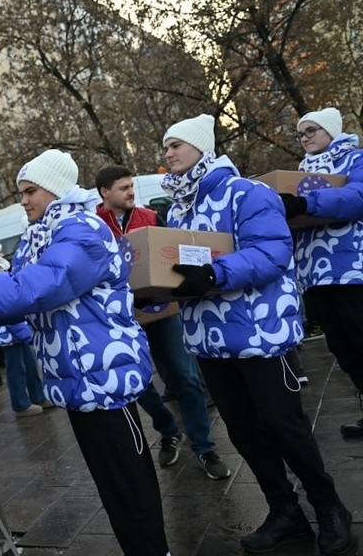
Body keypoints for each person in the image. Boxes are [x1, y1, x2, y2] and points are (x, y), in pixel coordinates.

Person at [0, 150, 170, 556]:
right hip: (78, 380)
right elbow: (31, 302)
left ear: (54, 189)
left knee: (130, 486)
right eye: (22, 192)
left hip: (104, 378)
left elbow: (43, 285)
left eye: (30, 191)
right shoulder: (45, 236)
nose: (23, 200)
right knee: (113, 487)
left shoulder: (82, 231)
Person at [160, 113, 352, 554]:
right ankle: (285, 511)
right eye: (165, 146)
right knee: (245, 432)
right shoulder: (179, 207)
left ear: (201, 148)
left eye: (176, 144)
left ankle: (329, 507)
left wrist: (211, 273)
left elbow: (271, 253)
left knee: (285, 427)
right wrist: (153, 292)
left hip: (258, 335)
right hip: (209, 340)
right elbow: (173, 269)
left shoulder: (245, 192)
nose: (168, 152)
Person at [94, 165, 230, 479]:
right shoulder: (93, 225)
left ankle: (204, 447)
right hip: (124, 317)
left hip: (163, 311)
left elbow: (174, 257)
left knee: (186, 378)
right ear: (104, 193)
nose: (130, 192)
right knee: (137, 384)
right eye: (123, 188)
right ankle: (168, 430)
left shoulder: (151, 217)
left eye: (131, 186)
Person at [282, 107, 363, 438]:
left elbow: (357, 197)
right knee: (343, 348)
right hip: (315, 275)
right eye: (301, 133)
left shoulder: (354, 159)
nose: (305, 138)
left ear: (331, 130)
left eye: (311, 130)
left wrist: (305, 204)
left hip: (351, 272)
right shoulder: (300, 172)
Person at [0, 242, 50, 417]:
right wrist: (23, 332)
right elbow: (7, 306)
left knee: (29, 364)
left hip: (12, 330)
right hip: (9, 331)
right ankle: (20, 404)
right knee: (16, 369)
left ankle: (37, 396)